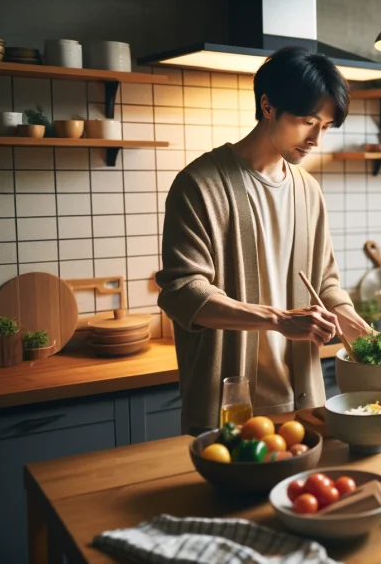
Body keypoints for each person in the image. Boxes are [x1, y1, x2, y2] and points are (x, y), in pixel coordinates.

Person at [156, 47, 369, 435]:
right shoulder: (199, 185)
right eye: (308, 122)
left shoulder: (308, 190)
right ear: (268, 107)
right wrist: (279, 320)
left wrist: (351, 321)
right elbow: (184, 293)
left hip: (304, 402)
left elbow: (325, 283)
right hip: (230, 406)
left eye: (325, 126)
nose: (316, 139)